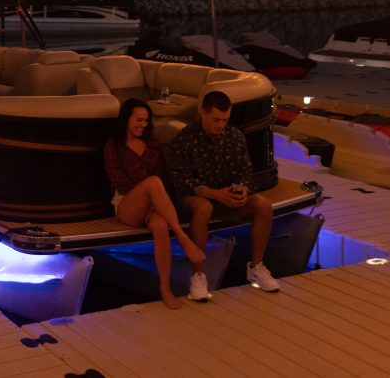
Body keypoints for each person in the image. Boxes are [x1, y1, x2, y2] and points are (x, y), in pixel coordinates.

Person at [168, 90, 279, 301]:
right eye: (216, 119)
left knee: (263, 205)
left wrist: (242, 190)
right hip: (192, 197)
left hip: (224, 195)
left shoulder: (234, 137)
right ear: (203, 113)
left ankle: (256, 266)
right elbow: (180, 181)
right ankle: (198, 275)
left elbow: (246, 173)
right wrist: (214, 194)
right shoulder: (185, 139)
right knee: (204, 207)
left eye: (225, 120)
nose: (221, 125)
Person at [104, 98, 206, 310]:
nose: (143, 124)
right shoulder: (113, 146)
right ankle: (183, 237)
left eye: (146, 120)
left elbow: (165, 178)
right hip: (127, 203)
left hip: (155, 202)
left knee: (160, 225)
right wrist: (149, 191)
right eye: (138, 120)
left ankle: (165, 288)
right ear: (126, 120)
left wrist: (154, 198)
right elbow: (120, 184)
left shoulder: (153, 144)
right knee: (153, 182)